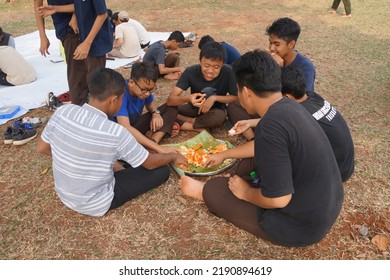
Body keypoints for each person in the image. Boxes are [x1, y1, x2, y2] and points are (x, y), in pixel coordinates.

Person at [179, 50, 344, 247]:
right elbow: (264, 146)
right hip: (327, 206)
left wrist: (246, 193)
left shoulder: (270, 125)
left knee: (215, 189)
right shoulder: (290, 106)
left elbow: (279, 200)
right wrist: (224, 154)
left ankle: (203, 191)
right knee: (244, 167)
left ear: (246, 92)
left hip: (301, 226)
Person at [37, 68, 187, 217]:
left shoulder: (64, 111)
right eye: (121, 100)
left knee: (127, 162)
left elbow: (42, 148)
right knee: (162, 171)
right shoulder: (115, 131)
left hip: (64, 194)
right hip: (96, 202)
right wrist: (173, 156)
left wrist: (71, 160)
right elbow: (149, 163)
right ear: (114, 100)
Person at [227, 17, 316, 141]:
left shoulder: (305, 67)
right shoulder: (271, 59)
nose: (272, 48)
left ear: (291, 44)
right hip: (267, 107)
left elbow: (300, 102)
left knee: (274, 125)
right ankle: (253, 139)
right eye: (270, 42)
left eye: (277, 44)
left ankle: (262, 134)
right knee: (234, 106)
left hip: (287, 113)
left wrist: (278, 69)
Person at [281, 65, 354, 182]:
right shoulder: (311, 96)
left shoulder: (300, 115)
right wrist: (252, 122)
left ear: (287, 96)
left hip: (337, 173)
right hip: (346, 165)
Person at [38, 0, 113, 106]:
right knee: (76, 77)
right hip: (73, 32)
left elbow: (102, 13)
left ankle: (96, 111)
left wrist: (87, 42)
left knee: (96, 81)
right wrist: (56, 9)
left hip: (93, 39)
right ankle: (79, 109)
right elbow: (80, 5)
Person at [167, 41, 238, 132]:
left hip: (215, 111)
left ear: (222, 64)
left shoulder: (228, 72)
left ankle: (186, 122)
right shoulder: (190, 71)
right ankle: (198, 126)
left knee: (220, 117)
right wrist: (188, 98)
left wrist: (214, 98)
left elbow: (236, 97)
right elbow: (170, 100)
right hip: (194, 108)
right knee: (167, 109)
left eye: (216, 67)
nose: (210, 71)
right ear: (200, 61)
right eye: (206, 65)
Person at [113, 61, 179, 153]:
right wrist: (159, 149)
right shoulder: (121, 95)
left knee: (171, 108)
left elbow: (150, 105)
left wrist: (156, 113)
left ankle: (153, 142)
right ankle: (153, 144)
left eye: (150, 89)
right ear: (131, 83)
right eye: (144, 90)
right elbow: (125, 127)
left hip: (135, 125)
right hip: (122, 135)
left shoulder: (142, 90)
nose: (147, 93)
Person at [34, 0, 88, 107]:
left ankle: (89, 106)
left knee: (88, 71)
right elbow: (38, 7)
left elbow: (85, 3)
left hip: (84, 22)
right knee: (77, 73)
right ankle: (80, 108)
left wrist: (76, 14)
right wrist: (42, 35)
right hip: (66, 29)